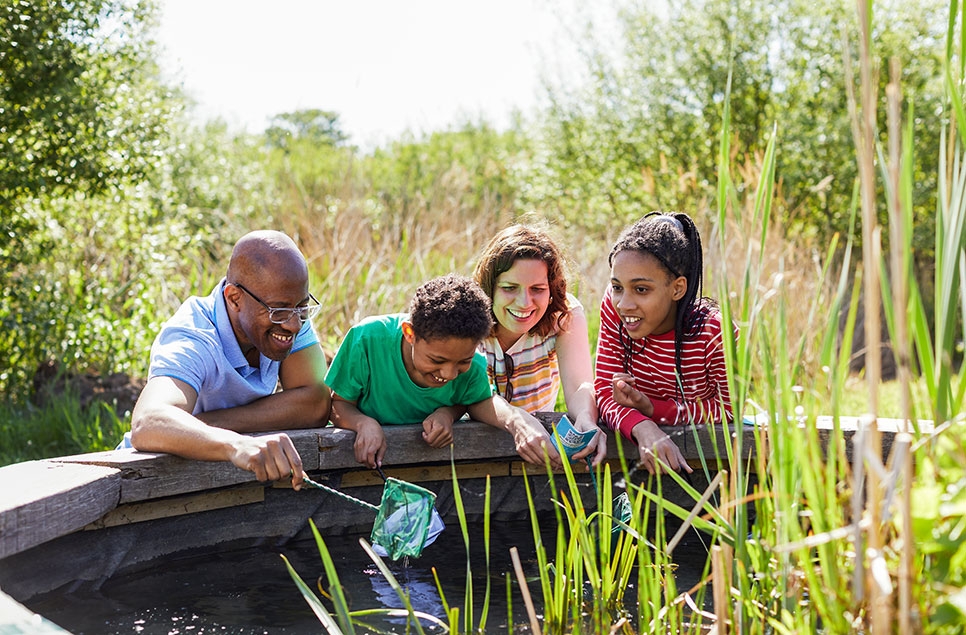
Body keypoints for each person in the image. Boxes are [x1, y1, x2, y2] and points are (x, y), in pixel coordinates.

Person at [127, 230, 331, 490]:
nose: (293, 325)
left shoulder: (288, 314)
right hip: (153, 482)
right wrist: (235, 444)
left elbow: (315, 402)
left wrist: (206, 425)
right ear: (235, 298)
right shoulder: (195, 336)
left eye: (302, 307)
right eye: (279, 310)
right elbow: (148, 422)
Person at [325, 273, 561, 469]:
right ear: (410, 334)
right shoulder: (367, 340)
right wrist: (363, 424)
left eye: (462, 362)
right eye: (436, 360)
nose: (448, 374)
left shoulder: (474, 364)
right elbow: (337, 405)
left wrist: (448, 414)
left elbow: (476, 402)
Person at [594, 212, 735, 475]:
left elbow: (727, 410)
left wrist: (652, 409)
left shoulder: (713, 332)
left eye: (641, 289)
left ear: (677, 288)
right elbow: (603, 391)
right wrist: (642, 426)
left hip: (705, 470)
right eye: (617, 287)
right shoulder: (614, 310)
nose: (624, 303)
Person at [473, 224, 606, 465]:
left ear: (552, 290)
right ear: (490, 287)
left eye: (538, 289)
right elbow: (472, 396)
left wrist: (586, 418)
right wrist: (517, 421)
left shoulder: (564, 315)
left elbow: (578, 385)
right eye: (509, 288)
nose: (525, 302)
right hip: (473, 450)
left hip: (539, 453)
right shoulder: (469, 315)